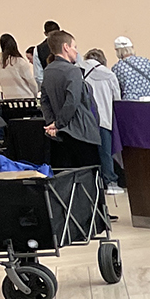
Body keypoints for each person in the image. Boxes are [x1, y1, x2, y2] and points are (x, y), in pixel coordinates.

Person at [40, 31, 103, 171]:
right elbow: (72, 101)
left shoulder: (48, 71)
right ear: (66, 47)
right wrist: (58, 123)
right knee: (89, 176)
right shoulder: (73, 71)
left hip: (60, 135)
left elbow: (44, 100)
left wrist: (52, 123)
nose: (76, 51)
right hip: (81, 132)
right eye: (74, 47)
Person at [79, 49, 124, 192]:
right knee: (106, 152)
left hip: (84, 119)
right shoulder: (109, 74)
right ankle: (111, 182)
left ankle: (89, 184)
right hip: (105, 118)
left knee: (87, 153)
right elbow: (117, 99)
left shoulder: (78, 72)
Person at [0, 34, 37, 98]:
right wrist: (35, 95)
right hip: (25, 100)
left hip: (9, 100)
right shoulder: (19, 62)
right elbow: (32, 83)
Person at [30, 21, 60, 85]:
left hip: (48, 84)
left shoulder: (38, 49)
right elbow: (78, 65)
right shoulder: (68, 44)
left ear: (45, 33)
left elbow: (38, 77)